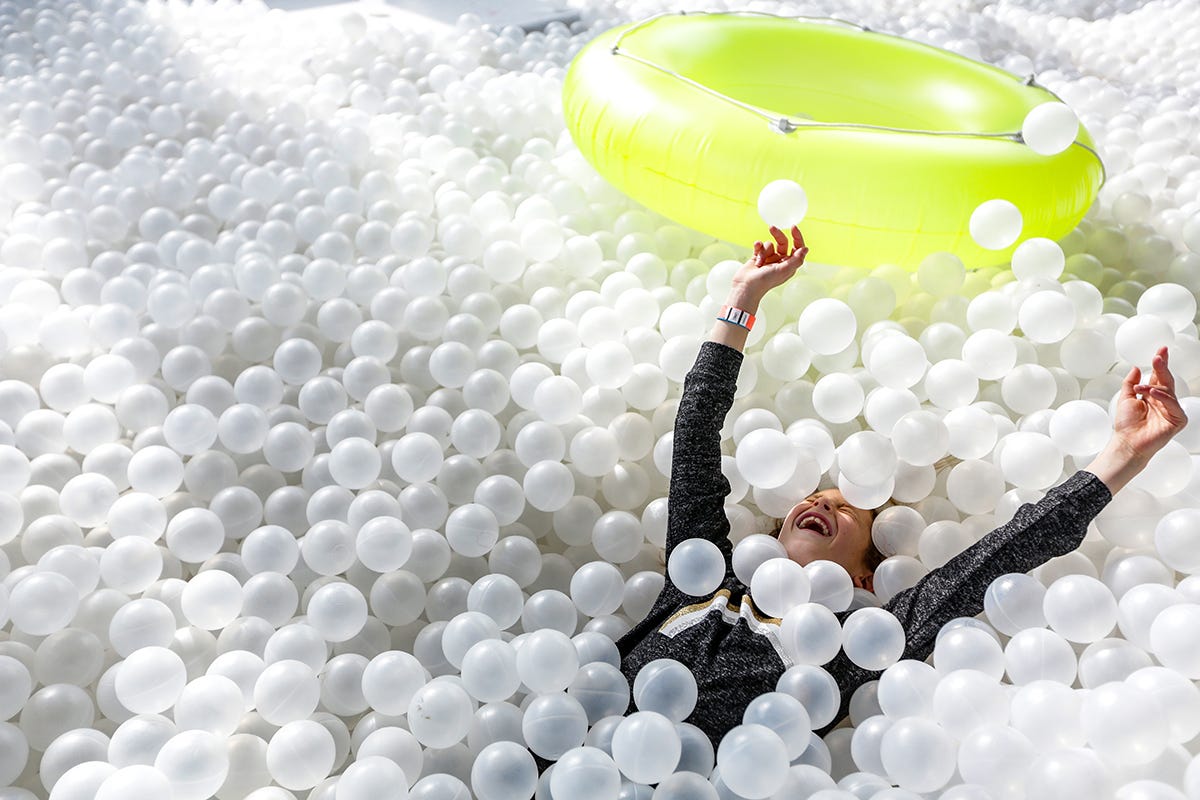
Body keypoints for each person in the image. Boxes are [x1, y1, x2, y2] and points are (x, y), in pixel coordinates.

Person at [614, 224, 1190, 757]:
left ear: (864, 577)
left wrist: (1124, 452)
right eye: (818, 499)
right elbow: (695, 430)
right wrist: (743, 298)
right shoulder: (702, 576)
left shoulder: (854, 646)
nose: (821, 502)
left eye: (846, 511)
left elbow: (1000, 555)